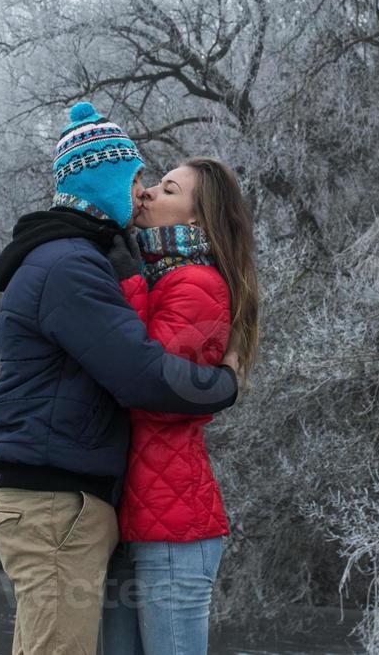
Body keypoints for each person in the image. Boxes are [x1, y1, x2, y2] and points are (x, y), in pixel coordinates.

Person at [0, 102, 241, 655]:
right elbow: (143, 377)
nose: (143, 192)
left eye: (160, 185)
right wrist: (226, 386)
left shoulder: (82, 262)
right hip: (58, 503)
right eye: (137, 179)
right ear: (107, 185)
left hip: (82, 504)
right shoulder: (71, 266)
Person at [100, 157, 261, 655]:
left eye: (168, 189)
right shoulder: (160, 275)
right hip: (132, 516)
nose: (147, 194)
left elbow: (158, 395)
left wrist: (127, 283)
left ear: (196, 219)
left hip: (174, 529)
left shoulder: (197, 284)